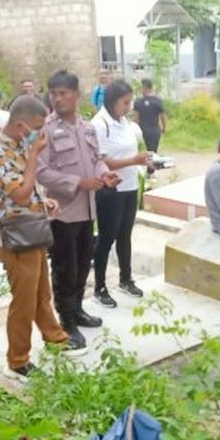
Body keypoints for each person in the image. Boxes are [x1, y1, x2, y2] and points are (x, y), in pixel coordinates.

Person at [0, 95, 73, 376]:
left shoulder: (19, 144)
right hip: (15, 238)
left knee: (41, 292)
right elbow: (19, 195)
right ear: (21, 125)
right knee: (23, 301)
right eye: (35, 126)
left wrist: (42, 200)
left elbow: (25, 186)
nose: (38, 132)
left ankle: (54, 337)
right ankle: (18, 359)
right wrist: (34, 154)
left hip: (31, 229)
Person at [37, 70, 120, 349]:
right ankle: (66, 321)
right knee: (65, 268)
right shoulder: (46, 130)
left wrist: (105, 174)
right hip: (63, 212)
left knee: (84, 262)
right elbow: (40, 172)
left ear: (76, 95)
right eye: (53, 94)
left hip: (87, 210)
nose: (57, 99)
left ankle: (78, 309)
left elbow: (97, 160)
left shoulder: (87, 127)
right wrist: (78, 182)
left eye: (63, 93)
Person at [91, 80, 150, 308]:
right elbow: (102, 160)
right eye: (125, 102)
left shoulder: (125, 122)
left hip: (130, 186)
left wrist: (144, 161)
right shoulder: (100, 124)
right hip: (110, 189)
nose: (128, 106)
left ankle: (126, 279)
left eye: (130, 102)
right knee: (107, 238)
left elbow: (132, 152)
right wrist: (133, 160)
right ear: (113, 101)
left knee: (125, 235)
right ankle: (100, 287)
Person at [133, 78, 166, 155]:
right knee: (153, 151)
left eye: (141, 88)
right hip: (154, 130)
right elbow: (163, 116)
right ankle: (151, 166)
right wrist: (164, 128)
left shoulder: (138, 101)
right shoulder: (158, 100)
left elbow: (136, 118)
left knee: (147, 151)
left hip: (142, 130)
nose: (140, 90)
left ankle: (150, 166)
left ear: (145, 88)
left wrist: (135, 130)